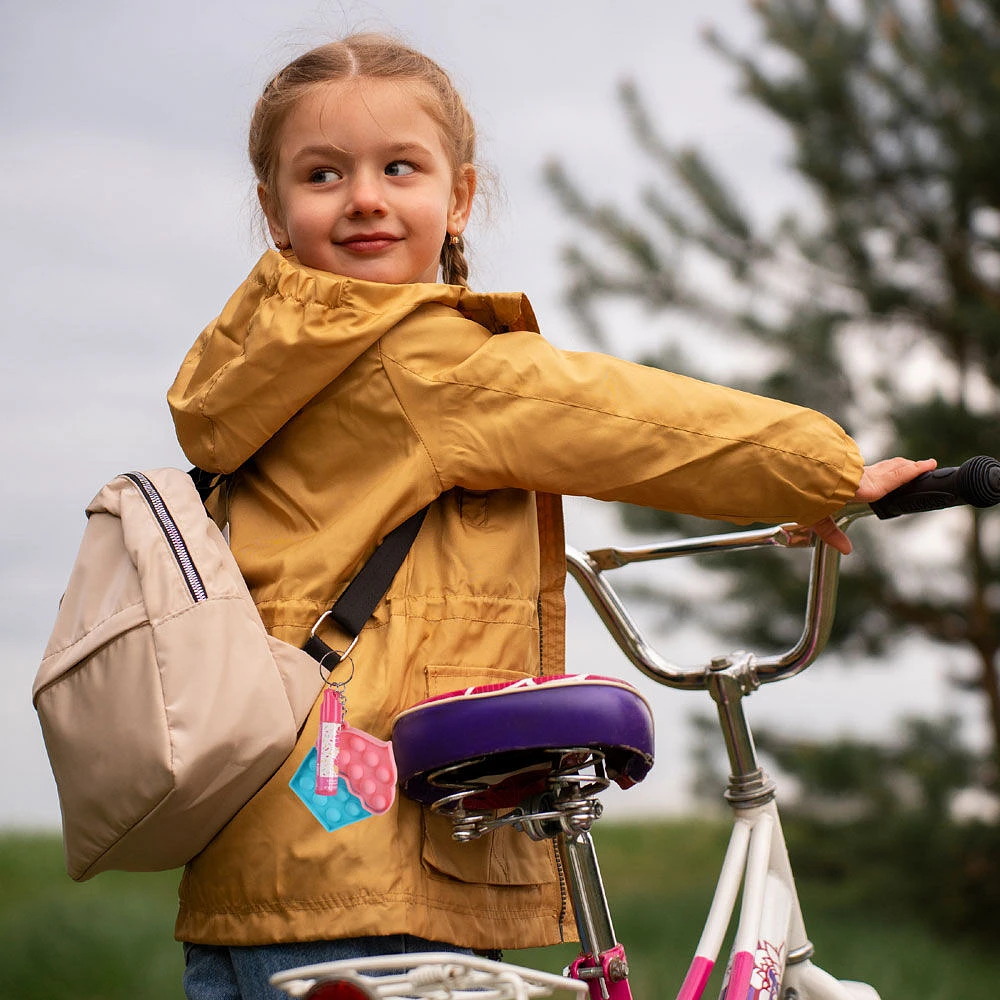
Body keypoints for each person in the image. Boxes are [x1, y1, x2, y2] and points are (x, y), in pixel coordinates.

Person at [167, 33, 935, 1000]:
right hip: (371, 866)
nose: (364, 196)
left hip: (264, 849)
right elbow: (622, 421)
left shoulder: (263, 367)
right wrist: (827, 472)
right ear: (275, 211)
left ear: (455, 197)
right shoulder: (420, 361)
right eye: (325, 173)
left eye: (396, 167)